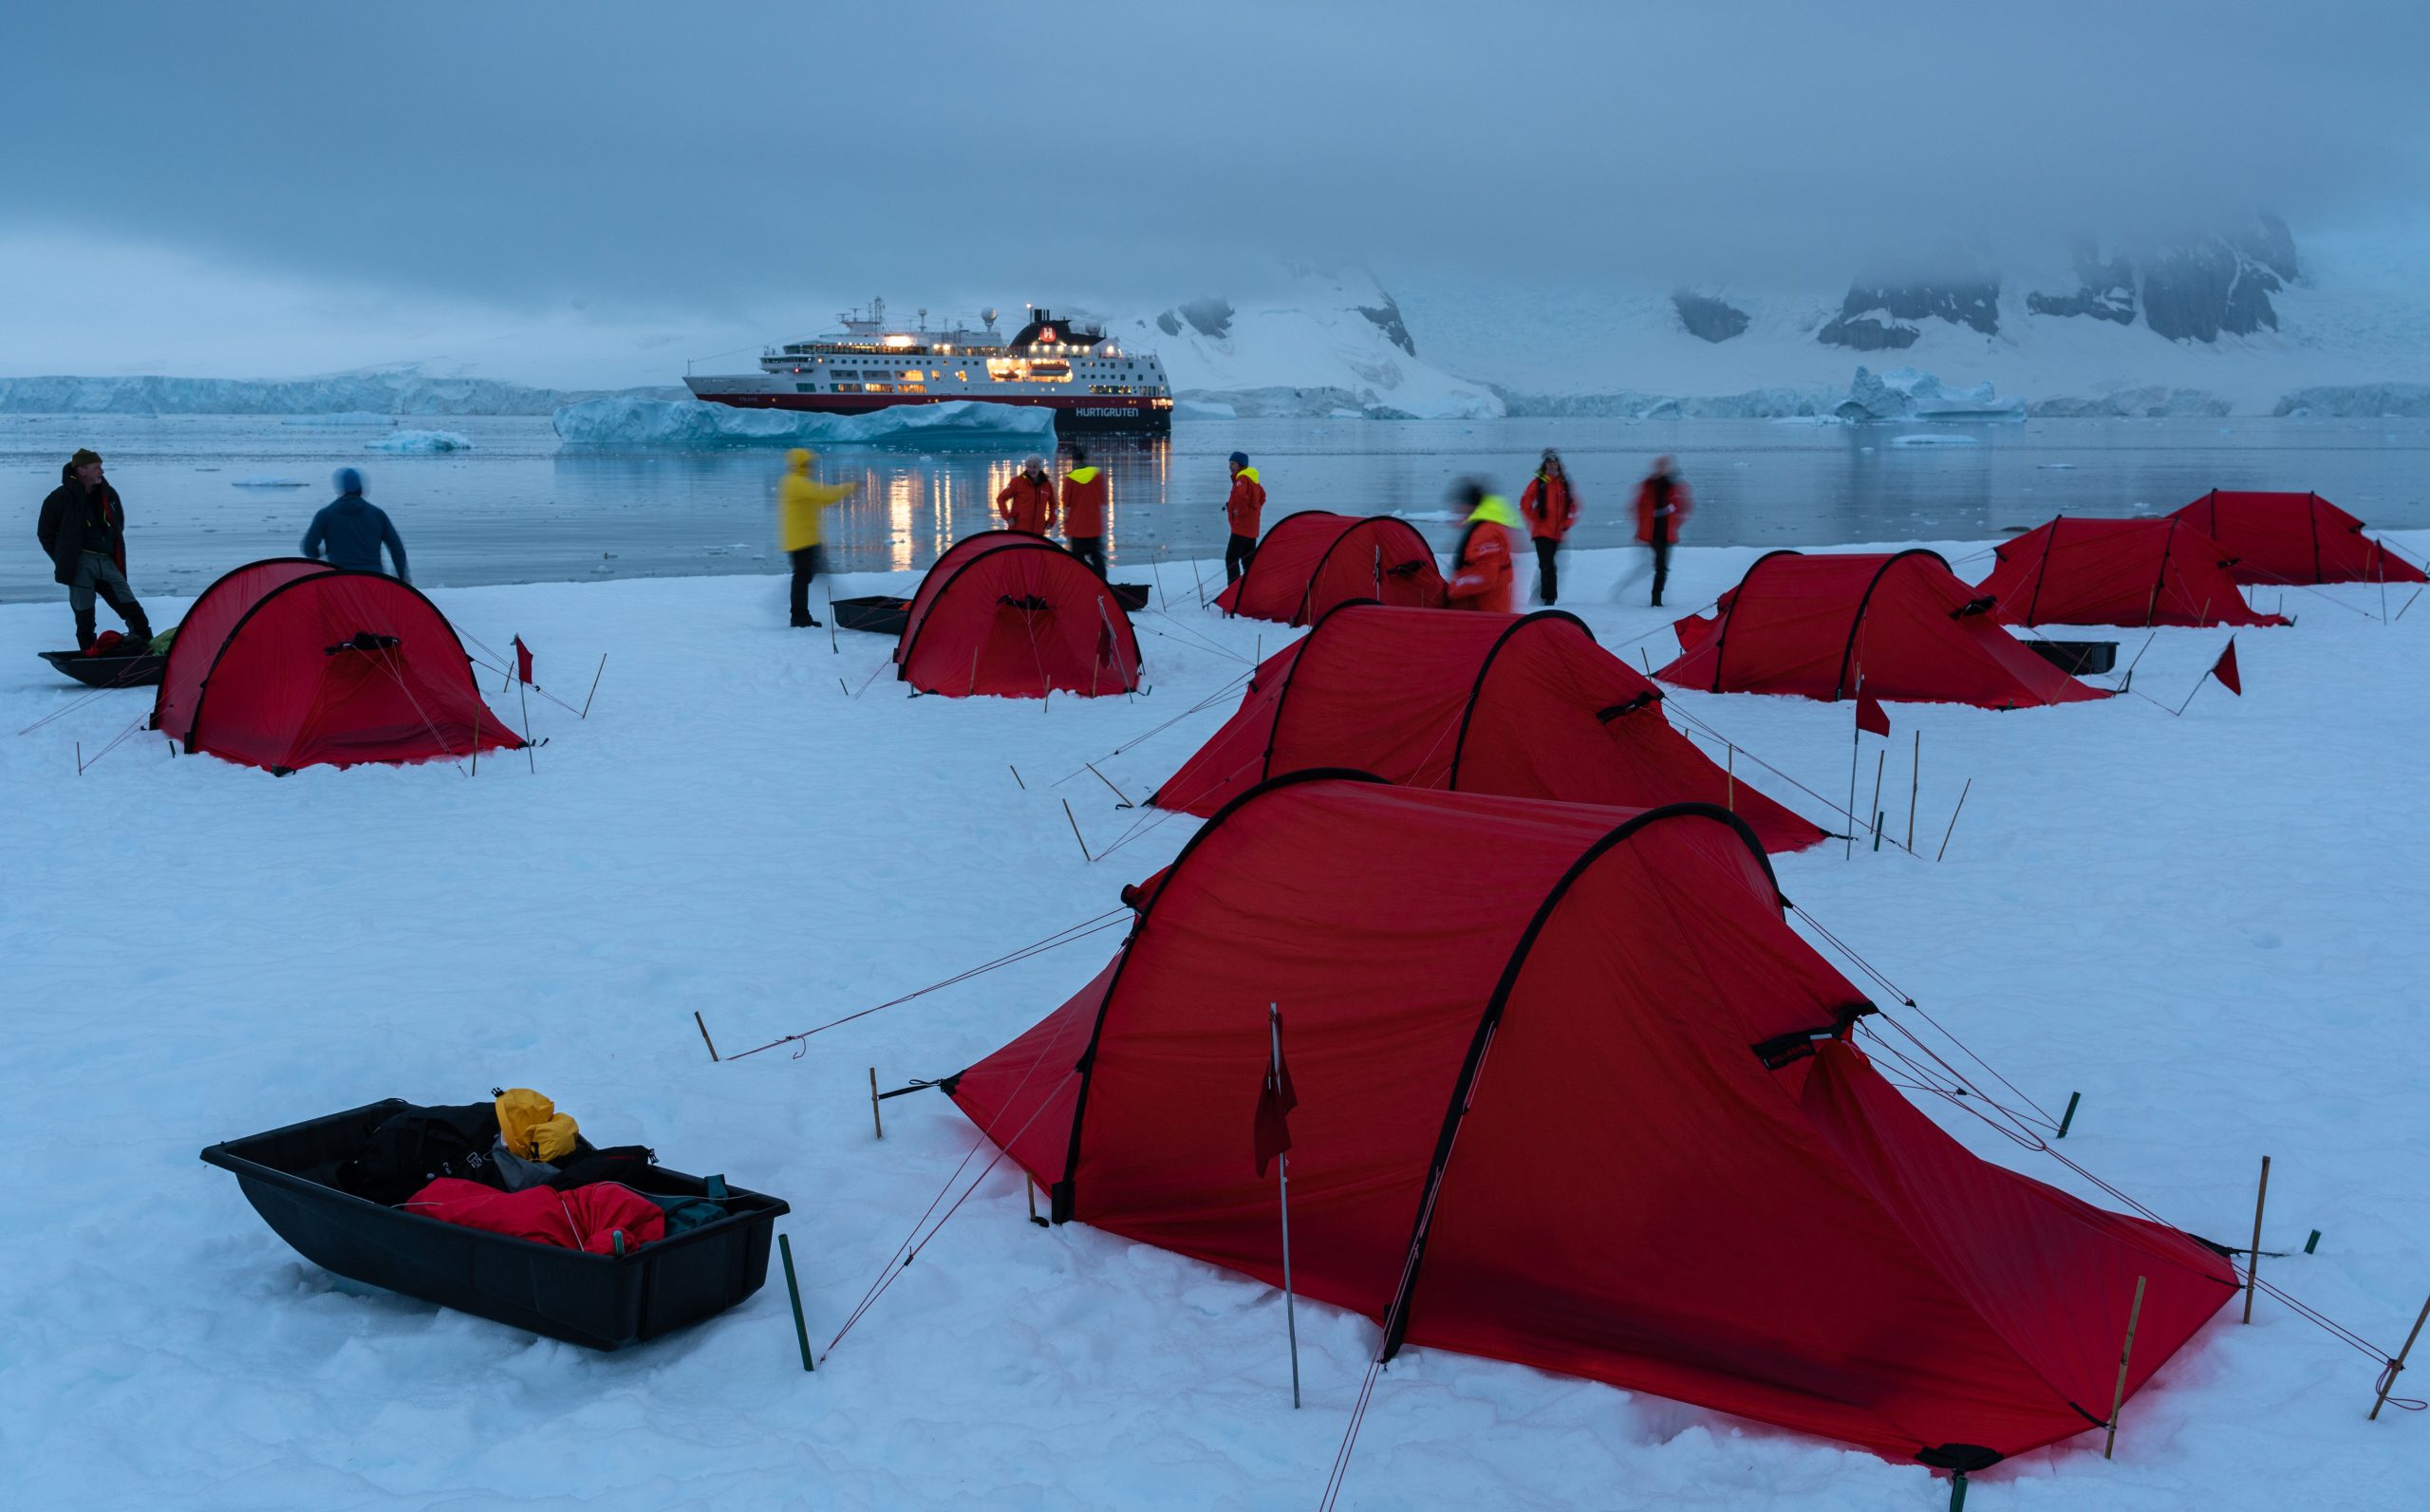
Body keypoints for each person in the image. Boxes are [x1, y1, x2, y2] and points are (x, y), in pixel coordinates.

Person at [36, 448, 152, 651]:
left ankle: (146, 648)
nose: (102, 471)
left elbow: (118, 524)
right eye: (97, 467)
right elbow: (45, 534)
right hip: (80, 564)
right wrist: (66, 559)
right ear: (82, 470)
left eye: (101, 467)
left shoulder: (108, 494)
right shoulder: (59, 498)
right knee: (85, 618)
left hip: (107, 562)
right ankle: (89, 654)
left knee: (131, 608)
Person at [779, 447, 855, 627]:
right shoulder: (795, 482)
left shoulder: (798, 482)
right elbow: (823, 494)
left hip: (807, 539)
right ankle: (799, 617)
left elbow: (823, 499)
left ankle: (801, 615)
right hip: (801, 542)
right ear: (800, 464)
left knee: (808, 575)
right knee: (803, 577)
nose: (810, 466)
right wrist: (850, 487)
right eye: (807, 463)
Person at [302, 468, 410, 579]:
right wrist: (402, 577)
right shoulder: (377, 514)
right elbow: (397, 549)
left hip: (339, 579)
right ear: (360, 487)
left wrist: (322, 554)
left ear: (341, 488)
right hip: (373, 579)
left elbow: (308, 548)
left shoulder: (325, 514)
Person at [1445, 480, 1522, 614]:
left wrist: (1456, 587)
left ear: (1469, 505)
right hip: (1482, 608)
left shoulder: (1486, 534)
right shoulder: (1480, 527)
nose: (1456, 509)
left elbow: (1486, 577)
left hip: (1490, 611)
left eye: (1459, 504)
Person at [1518, 448, 1580, 606]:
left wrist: (1567, 522)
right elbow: (1525, 503)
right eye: (1549, 463)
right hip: (1542, 532)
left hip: (1558, 533)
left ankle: (1539, 597)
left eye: (1554, 463)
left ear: (1558, 465)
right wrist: (1535, 519)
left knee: (1550, 565)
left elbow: (1574, 506)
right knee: (1547, 565)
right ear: (1545, 465)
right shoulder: (1538, 483)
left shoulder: (1564, 484)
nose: (1552, 466)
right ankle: (1548, 599)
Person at [1632, 455, 1693, 607]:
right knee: (1659, 566)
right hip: (1651, 533)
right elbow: (1638, 508)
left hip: (1667, 533)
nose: (1661, 469)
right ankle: (1655, 599)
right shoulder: (1648, 485)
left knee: (1661, 567)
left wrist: (1674, 524)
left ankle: (1656, 598)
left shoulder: (1675, 486)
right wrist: (1640, 528)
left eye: (1664, 466)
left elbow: (1685, 508)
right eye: (1659, 466)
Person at [1060, 445, 1109, 577]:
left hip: (1077, 527)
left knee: (1077, 560)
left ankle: (1081, 582)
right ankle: (1102, 582)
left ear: (1073, 460)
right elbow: (1103, 499)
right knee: (1096, 556)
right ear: (1085, 459)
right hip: (1094, 526)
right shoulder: (1098, 475)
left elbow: (1066, 502)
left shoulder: (1069, 478)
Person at [1222, 451, 1264, 584]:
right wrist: (1253, 513)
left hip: (1241, 528)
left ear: (1241, 465)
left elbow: (1240, 495)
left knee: (1231, 558)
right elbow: (1263, 496)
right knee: (1248, 560)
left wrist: (1242, 512)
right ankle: (1249, 587)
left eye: (1233, 464)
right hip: (1252, 528)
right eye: (1230, 463)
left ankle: (1234, 590)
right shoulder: (1253, 479)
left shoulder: (1242, 478)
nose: (1230, 466)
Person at [997, 456, 1057, 535]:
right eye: (1029, 466)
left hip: (1038, 532)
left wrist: (1051, 520)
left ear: (1040, 467)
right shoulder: (1017, 482)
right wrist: (1007, 517)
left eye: (1034, 467)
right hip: (1018, 531)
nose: (1032, 470)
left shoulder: (1047, 485)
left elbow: (1053, 504)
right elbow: (1001, 498)